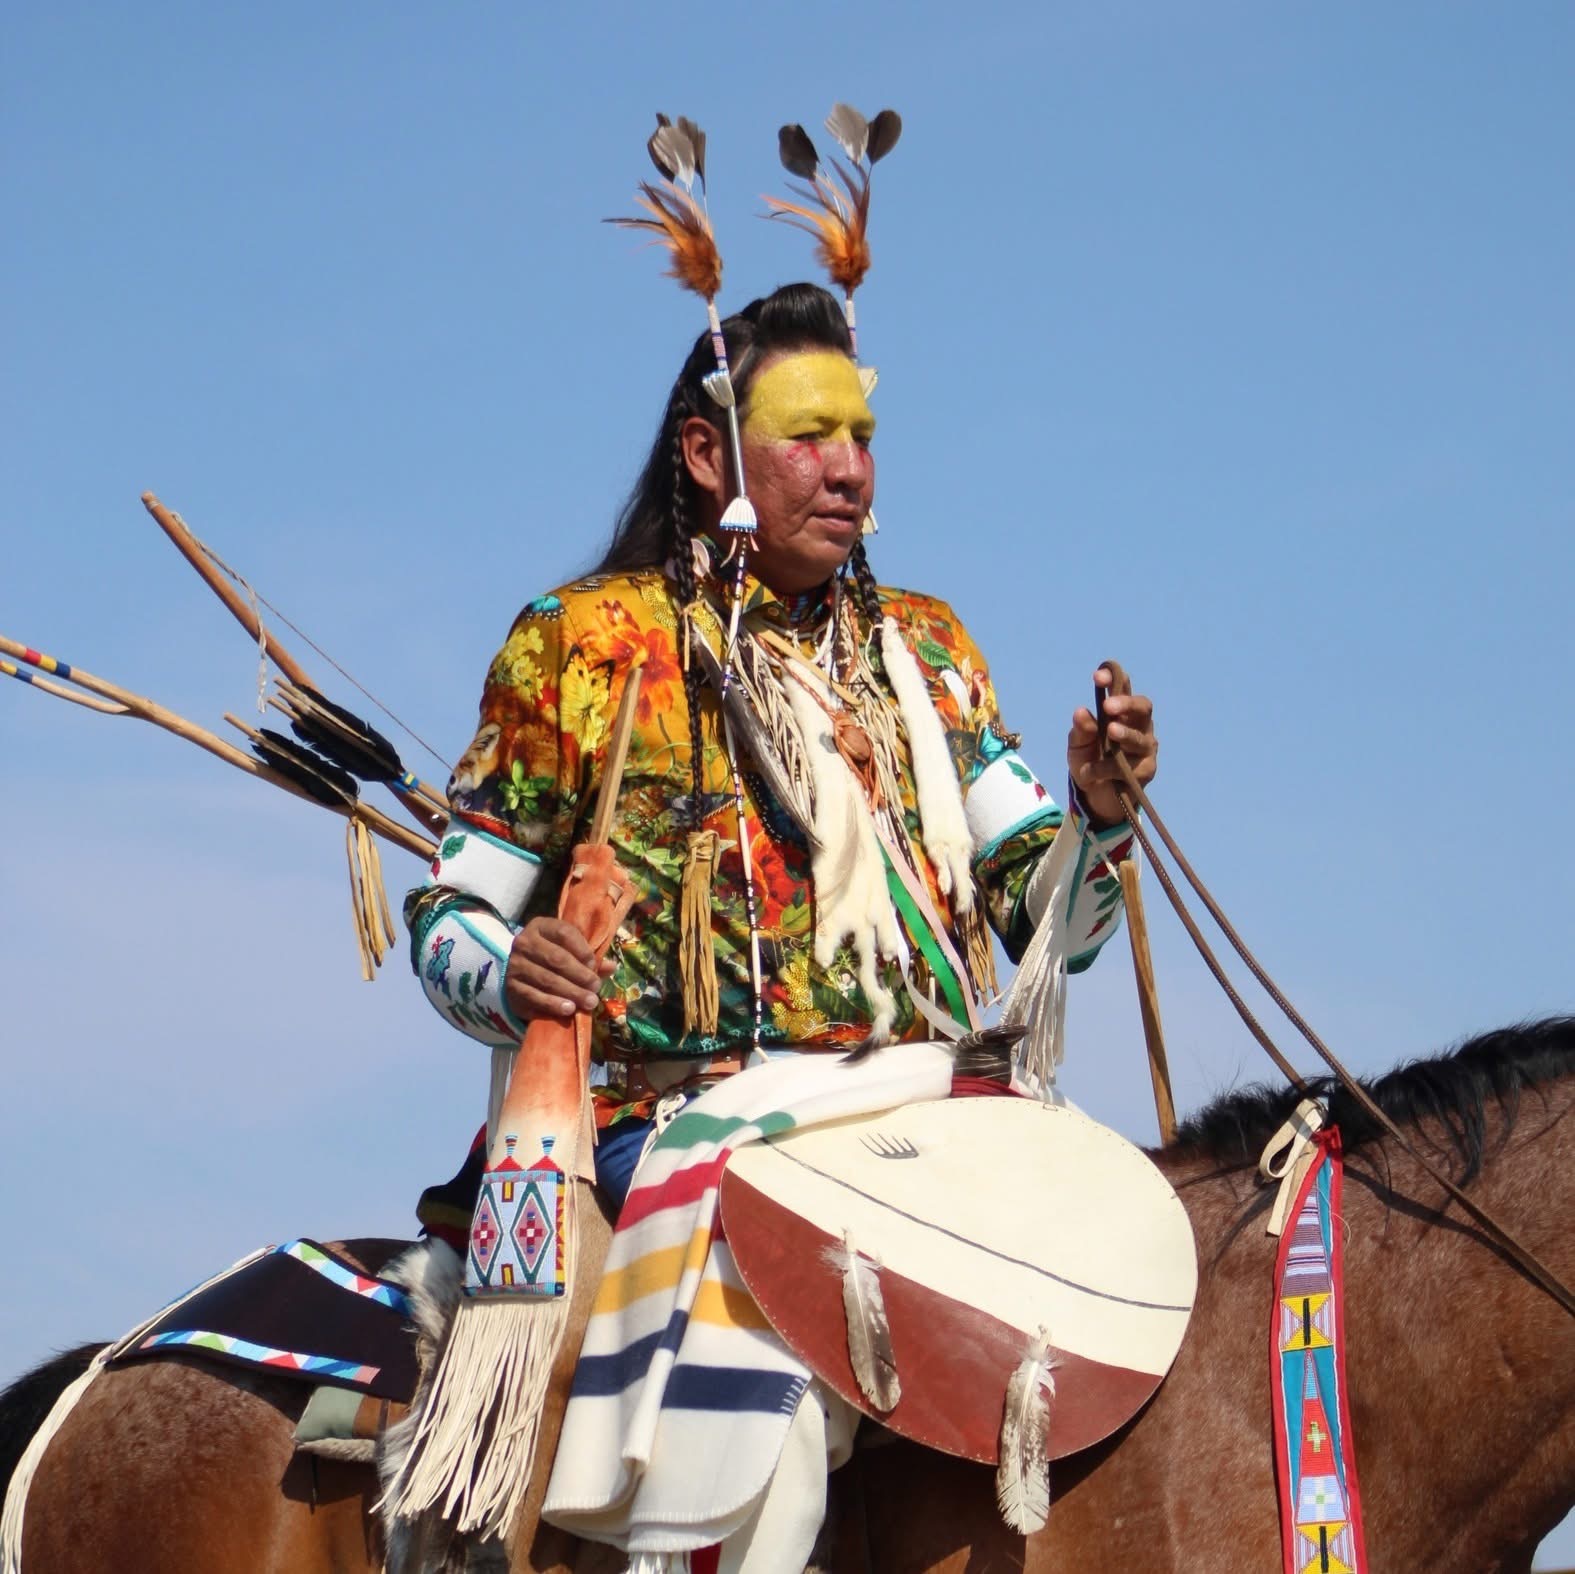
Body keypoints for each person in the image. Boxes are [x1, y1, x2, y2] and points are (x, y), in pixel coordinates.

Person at [404, 281, 1159, 1233]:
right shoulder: (588, 642)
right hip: (680, 1130)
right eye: (808, 437)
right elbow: (445, 918)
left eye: (863, 437)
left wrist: (1097, 815)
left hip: (932, 1116)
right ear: (707, 454)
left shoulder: (930, 656)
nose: (849, 470)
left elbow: (1062, 937)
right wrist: (516, 969)